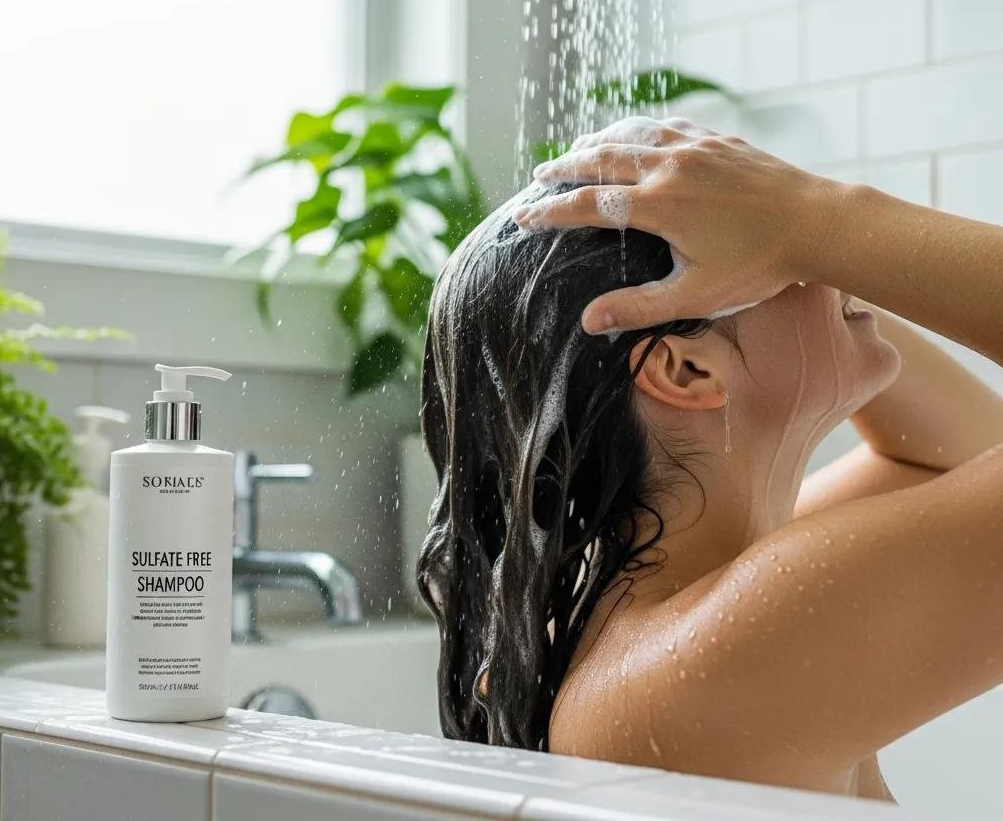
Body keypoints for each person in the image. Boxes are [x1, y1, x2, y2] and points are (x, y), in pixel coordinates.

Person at [416, 116, 1003, 802]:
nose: (807, 265)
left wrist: (798, 241)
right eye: (771, 261)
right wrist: (809, 219)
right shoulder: (714, 647)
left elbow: (955, 455)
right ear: (686, 371)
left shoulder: (707, 602)